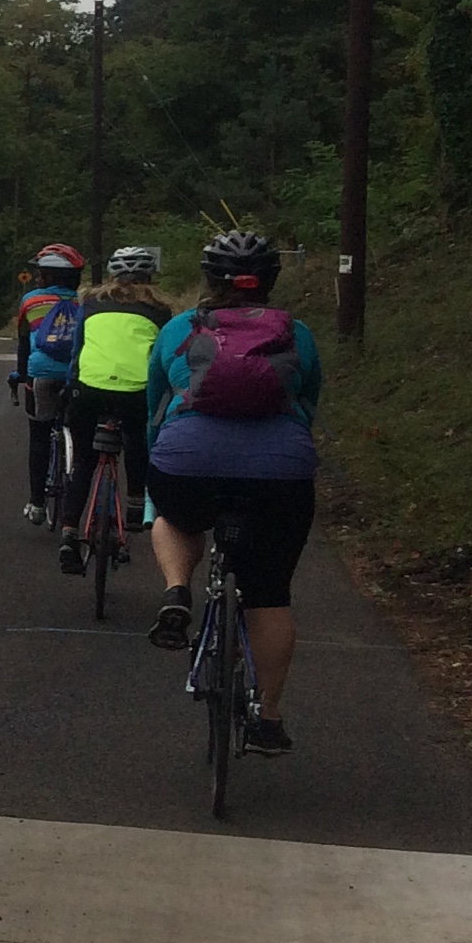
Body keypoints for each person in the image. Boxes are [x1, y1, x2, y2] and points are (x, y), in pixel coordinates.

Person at [144, 228, 323, 755]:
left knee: (175, 517)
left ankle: (177, 589)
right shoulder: (297, 334)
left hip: (188, 464)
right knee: (269, 594)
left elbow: (155, 409)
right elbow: (307, 407)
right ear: (270, 281)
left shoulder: (178, 329)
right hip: (280, 474)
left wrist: (160, 461)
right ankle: (268, 718)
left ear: (209, 279)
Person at [57, 247, 170, 574]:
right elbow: (163, 360)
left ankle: (69, 532)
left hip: (88, 389)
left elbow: (77, 352)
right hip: (136, 391)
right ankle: (136, 504)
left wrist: (70, 388)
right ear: (149, 277)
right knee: (137, 438)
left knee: (84, 459)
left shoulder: (90, 304)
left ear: (112, 275)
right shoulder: (160, 310)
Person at [11, 242, 88, 525]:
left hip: (41, 374)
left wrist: (21, 375)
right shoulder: (86, 302)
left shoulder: (31, 301)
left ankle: (37, 503)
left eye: (41, 272)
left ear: (50, 275)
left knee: (39, 435)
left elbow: (23, 343)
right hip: (78, 375)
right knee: (81, 437)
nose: (36, 277)